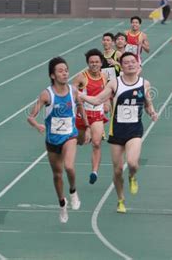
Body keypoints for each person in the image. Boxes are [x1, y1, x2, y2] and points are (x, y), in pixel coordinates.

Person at [80, 52, 158, 214]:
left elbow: (148, 103)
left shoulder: (145, 83)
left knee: (132, 163)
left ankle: (132, 176)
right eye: (126, 62)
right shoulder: (115, 84)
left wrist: (152, 112)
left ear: (137, 65)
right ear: (121, 67)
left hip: (135, 130)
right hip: (117, 132)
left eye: (133, 62)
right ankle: (121, 200)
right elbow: (98, 100)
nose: (130, 64)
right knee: (117, 170)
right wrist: (81, 95)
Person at [27, 57, 83, 223]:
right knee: (57, 175)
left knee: (69, 166)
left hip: (70, 135)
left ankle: (73, 191)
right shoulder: (47, 94)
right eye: (60, 71)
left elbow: (79, 105)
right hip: (52, 139)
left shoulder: (73, 91)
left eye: (66, 70)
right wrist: (37, 126)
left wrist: (84, 126)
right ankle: (62, 205)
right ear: (52, 75)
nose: (65, 73)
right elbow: (30, 116)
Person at [73, 49, 108, 184]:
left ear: (101, 63)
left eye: (97, 62)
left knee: (96, 143)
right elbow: (72, 93)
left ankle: (94, 172)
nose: (94, 64)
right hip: (82, 115)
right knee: (81, 141)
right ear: (88, 63)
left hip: (97, 115)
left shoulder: (104, 76)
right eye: (91, 62)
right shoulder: (81, 77)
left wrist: (106, 103)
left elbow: (106, 92)